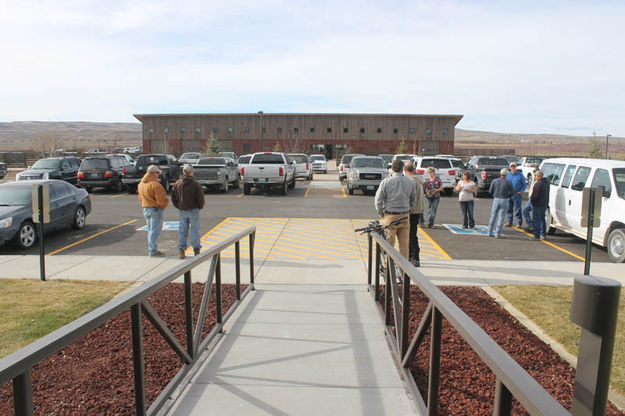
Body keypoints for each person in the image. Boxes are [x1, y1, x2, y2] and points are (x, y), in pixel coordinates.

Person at [374, 159, 416, 259]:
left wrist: (381, 214)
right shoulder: (409, 182)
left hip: (390, 216)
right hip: (405, 216)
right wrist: (409, 211)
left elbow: (378, 200)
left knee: (388, 246)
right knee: (404, 247)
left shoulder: (386, 182)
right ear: (403, 169)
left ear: (392, 169)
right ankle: (403, 271)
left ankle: (388, 269)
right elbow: (413, 199)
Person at [171, 164, 206, 259]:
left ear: (183, 172)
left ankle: (181, 250)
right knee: (195, 230)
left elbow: (173, 198)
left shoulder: (177, 183)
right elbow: (200, 198)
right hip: (194, 210)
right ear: (191, 172)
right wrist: (200, 206)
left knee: (182, 230)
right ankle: (196, 250)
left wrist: (178, 206)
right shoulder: (196, 184)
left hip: (182, 210)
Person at [138, 165, 170, 257]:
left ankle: (152, 249)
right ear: (153, 174)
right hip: (155, 210)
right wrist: (163, 206)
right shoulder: (155, 185)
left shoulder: (141, 184)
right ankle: (153, 251)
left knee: (150, 230)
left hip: (145, 208)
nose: (158, 175)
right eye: (157, 173)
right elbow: (162, 200)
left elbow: (140, 198)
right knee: (155, 231)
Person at [404, 160, 426, 266]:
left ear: (405, 170)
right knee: (412, 233)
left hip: (412, 210)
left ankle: (414, 257)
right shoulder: (418, 179)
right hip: (417, 209)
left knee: (411, 234)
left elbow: (409, 197)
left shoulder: (411, 181)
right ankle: (411, 256)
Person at [487, 168, 513, 238]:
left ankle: (489, 231)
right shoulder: (509, 182)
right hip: (504, 199)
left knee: (493, 215)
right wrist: (508, 196)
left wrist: (495, 195)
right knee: (501, 216)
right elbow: (512, 192)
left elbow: (490, 191)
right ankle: (497, 233)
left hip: (496, 198)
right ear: (507, 174)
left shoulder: (495, 181)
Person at [529, 169, 550, 241]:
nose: (534, 177)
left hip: (537, 204)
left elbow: (536, 195)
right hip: (544, 203)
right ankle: (543, 234)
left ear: (538, 176)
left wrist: (532, 200)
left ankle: (536, 235)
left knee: (536, 220)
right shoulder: (546, 183)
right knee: (542, 219)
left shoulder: (538, 184)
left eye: (535, 175)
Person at [505, 162, 527, 227]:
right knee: (509, 208)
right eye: (511, 166)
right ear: (510, 167)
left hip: (517, 194)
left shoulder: (520, 175)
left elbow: (524, 184)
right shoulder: (508, 175)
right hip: (509, 194)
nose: (513, 167)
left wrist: (521, 191)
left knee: (518, 209)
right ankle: (509, 222)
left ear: (516, 167)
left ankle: (519, 223)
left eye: (514, 166)